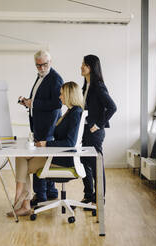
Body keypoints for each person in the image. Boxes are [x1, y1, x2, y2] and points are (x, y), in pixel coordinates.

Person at [9, 81, 84, 216]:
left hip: (64, 159)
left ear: (69, 94)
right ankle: (22, 198)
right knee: (20, 156)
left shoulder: (75, 112)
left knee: (23, 161)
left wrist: (46, 145)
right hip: (58, 154)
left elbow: (70, 143)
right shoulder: (70, 111)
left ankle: (21, 198)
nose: (60, 97)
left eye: (61, 94)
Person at [18, 50, 62, 206]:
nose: (41, 68)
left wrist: (34, 104)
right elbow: (40, 99)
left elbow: (57, 103)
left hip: (48, 127)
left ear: (50, 62)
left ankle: (41, 195)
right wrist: (28, 102)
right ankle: (51, 193)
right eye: (38, 65)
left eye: (44, 64)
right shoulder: (41, 77)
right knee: (45, 160)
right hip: (40, 124)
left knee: (40, 160)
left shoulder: (55, 79)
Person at [80, 55, 116, 206]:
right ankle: (89, 195)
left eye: (85, 65)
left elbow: (112, 107)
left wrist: (99, 125)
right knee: (83, 161)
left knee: (95, 164)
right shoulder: (86, 86)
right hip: (85, 130)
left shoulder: (98, 86)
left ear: (91, 68)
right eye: (82, 64)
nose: (81, 67)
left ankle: (99, 198)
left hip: (95, 132)